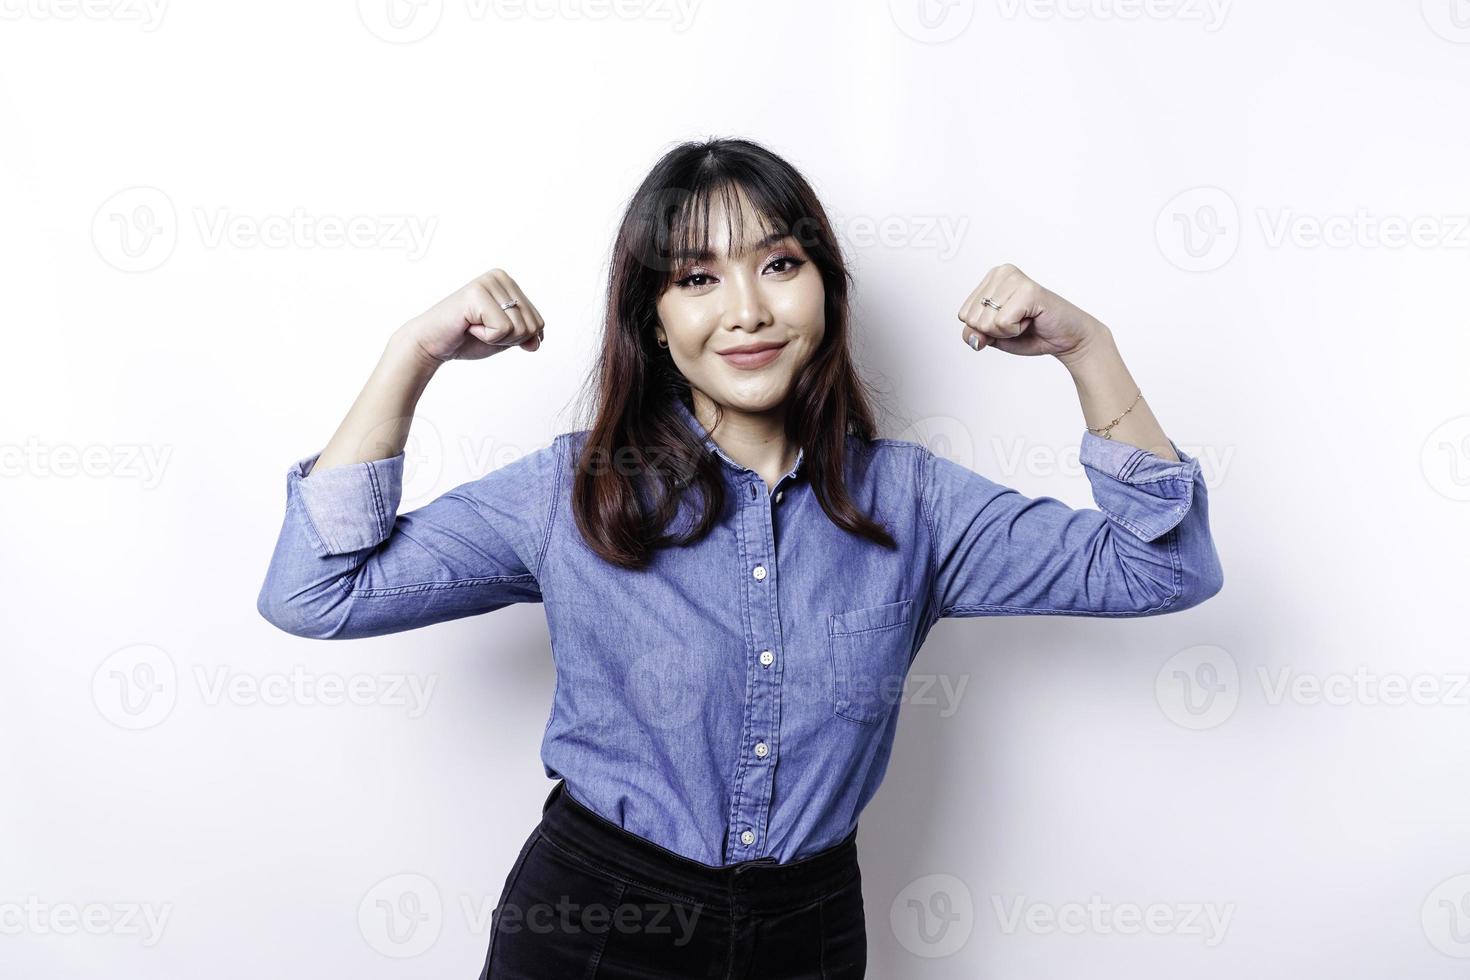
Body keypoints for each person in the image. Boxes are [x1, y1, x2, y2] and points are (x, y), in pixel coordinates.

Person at [256, 136, 1224, 979]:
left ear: (826, 288)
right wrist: (409, 354)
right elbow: (316, 590)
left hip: (808, 936)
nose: (747, 309)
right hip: (595, 924)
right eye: (696, 277)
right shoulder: (571, 490)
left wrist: (1088, 348)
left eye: (781, 262)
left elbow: (1165, 567)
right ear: (653, 318)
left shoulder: (917, 503)